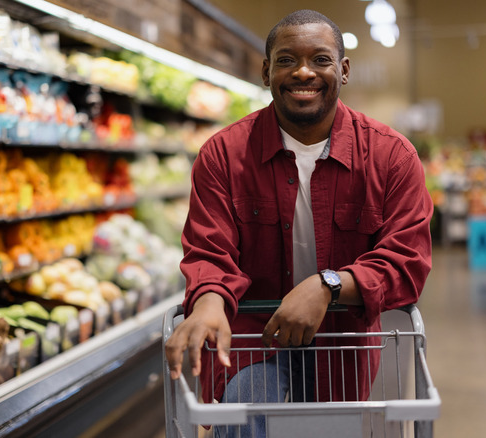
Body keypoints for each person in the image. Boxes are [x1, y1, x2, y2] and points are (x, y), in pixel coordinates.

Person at [165, 9, 433, 437]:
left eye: (320, 60)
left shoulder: (391, 157)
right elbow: (209, 251)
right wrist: (209, 301)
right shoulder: (223, 155)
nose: (303, 72)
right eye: (287, 60)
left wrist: (328, 285)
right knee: (245, 415)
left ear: (343, 70)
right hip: (255, 343)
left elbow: (407, 261)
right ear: (267, 70)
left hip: (342, 348)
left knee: (331, 430)